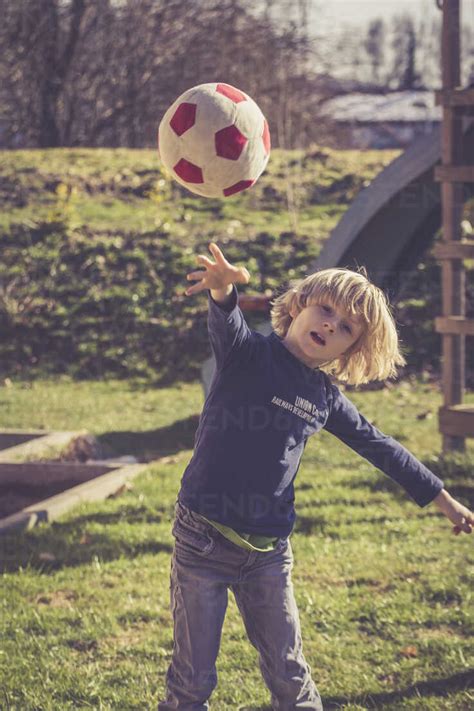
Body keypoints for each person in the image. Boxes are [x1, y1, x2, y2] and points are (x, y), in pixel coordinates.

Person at [158, 242, 473, 710]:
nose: (330, 324)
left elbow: (379, 445)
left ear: (353, 347)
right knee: (193, 681)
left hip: (268, 553)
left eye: (346, 326)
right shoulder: (247, 354)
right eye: (326, 309)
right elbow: (226, 319)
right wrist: (223, 289)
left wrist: (444, 498)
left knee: (289, 676)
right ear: (300, 305)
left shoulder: (324, 396)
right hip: (202, 541)